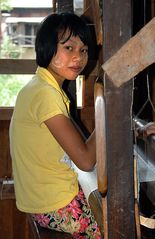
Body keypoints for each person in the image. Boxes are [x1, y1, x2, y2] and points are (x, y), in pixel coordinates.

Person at [9, 12, 102, 238]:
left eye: (84, 50)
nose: (78, 57)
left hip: (40, 199)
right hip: (53, 204)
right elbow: (86, 160)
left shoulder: (40, 85)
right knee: (116, 225)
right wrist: (111, 116)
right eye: (68, 48)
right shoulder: (45, 94)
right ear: (48, 47)